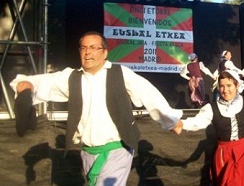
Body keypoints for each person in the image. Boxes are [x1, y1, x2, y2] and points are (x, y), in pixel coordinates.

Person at [10, 31, 182, 186]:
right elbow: (43, 82)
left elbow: (148, 93)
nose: (87, 52)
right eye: (84, 47)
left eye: (93, 47)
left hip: (118, 148)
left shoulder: (120, 73)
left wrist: (170, 120)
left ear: (104, 52)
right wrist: (27, 85)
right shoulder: (71, 77)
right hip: (88, 152)